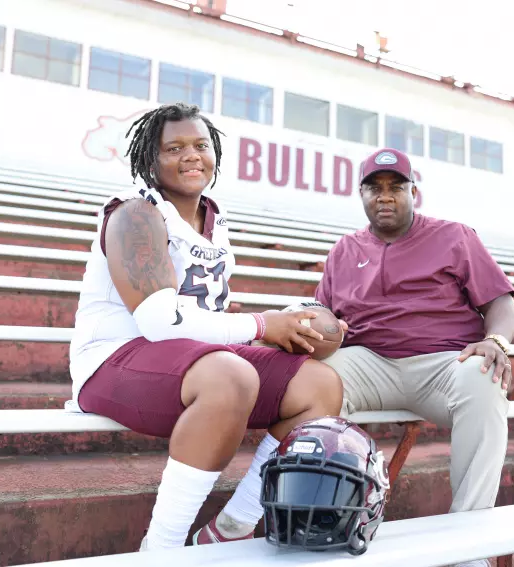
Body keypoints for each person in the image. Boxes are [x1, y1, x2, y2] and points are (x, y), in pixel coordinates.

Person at [66, 102, 343, 552]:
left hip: (191, 361)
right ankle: (161, 550)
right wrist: (261, 325)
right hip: (114, 360)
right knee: (232, 376)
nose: (191, 155)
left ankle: (234, 524)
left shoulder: (214, 216)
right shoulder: (135, 214)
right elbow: (158, 321)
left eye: (200, 145)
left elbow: (205, 312)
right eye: (174, 148)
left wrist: (297, 325)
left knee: (320, 385)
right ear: (149, 159)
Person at [315, 148, 514, 567]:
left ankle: (469, 544)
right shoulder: (345, 249)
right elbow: (323, 311)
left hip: (443, 364)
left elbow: (501, 303)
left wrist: (496, 341)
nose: (385, 196)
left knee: (485, 376)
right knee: (309, 380)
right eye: (374, 188)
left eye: (396, 187)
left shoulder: (454, 236)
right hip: (369, 362)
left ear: (413, 192)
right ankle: (321, 518)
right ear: (361, 194)